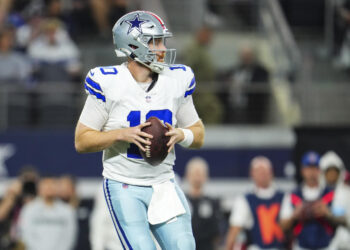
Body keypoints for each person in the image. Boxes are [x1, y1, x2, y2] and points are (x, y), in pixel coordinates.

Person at [74, 10, 205, 250]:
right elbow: (82, 141)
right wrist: (122, 134)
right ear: (133, 45)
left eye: (162, 40)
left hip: (163, 183)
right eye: (155, 41)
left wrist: (181, 134)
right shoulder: (109, 82)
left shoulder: (177, 80)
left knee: (184, 245)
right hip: (124, 184)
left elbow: (198, 133)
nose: (163, 48)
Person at [280, 151, 347, 250]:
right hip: (301, 246)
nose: (312, 172)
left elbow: (344, 220)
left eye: (315, 168)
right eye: (308, 168)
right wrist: (295, 215)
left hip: (327, 246)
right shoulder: (293, 195)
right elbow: (282, 225)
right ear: (303, 170)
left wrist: (327, 213)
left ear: (320, 170)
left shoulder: (331, 194)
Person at [225, 156, 285, 250]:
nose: (262, 174)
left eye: (264, 170)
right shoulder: (245, 200)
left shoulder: (283, 197)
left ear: (271, 172)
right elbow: (235, 229)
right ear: (252, 174)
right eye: (258, 171)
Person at [18, 175, 77, 250]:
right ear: (39, 188)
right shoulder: (29, 209)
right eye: (45, 185)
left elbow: (69, 237)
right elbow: (26, 235)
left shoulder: (67, 211)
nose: (49, 188)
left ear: (57, 188)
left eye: (52, 185)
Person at [185, 157, 223, 250]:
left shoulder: (213, 202)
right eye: (195, 173)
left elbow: (218, 232)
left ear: (206, 176)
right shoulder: (180, 202)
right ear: (187, 175)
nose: (197, 177)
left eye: (200, 174)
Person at [320, 151, 350, 250]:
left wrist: (329, 215)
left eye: (334, 172)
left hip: (344, 243)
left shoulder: (346, 192)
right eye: (329, 172)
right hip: (321, 242)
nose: (332, 175)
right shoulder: (318, 192)